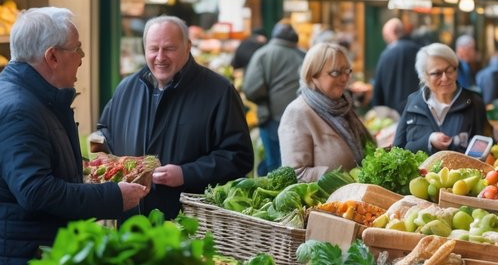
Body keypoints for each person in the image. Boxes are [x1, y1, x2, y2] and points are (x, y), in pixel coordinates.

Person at [0, 8, 151, 265]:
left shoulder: (32, 100)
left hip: (22, 261)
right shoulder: (17, 109)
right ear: (52, 57)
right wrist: (113, 197)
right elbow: (36, 191)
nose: (81, 60)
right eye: (78, 51)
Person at [98, 16, 253, 219]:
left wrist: (185, 173)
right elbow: (105, 134)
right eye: (154, 49)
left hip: (189, 223)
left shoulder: (219, 91)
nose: (160, 57)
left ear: (188, 47)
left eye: (169, 48)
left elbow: (239, 158)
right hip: (131, 219)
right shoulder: (126, 89)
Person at [279, 42, 374, 181]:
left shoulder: (343, 105)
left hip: (355, 198)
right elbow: (296, 174)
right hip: (325, 201)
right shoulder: (297, 113)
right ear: (312, 75)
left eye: (347, 71)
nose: (344, 78)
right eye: (335, 73)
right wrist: (344, 178)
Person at [394, 43, 491, 153]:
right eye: (437, 73)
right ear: (424, 76)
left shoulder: (474, 103)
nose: (445, 78)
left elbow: (485, 146)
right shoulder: (413, 103)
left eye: (450, 70)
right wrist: (429, 141)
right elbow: (398, 149)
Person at [243, 22, 306, 173]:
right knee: (295, 168)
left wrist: (266, 97)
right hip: (302, 120)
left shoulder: (263, 54)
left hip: (272, 118)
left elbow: (251, 89)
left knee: (275, 168)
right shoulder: (304, 55)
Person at [371, 18, 422, 113]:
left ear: (393, 33)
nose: (385, 39)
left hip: (392, 113)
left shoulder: (386, 54)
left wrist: (378, 111)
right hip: (417, 109)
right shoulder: (419, 51)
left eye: (386, 35)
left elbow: (378, 88)